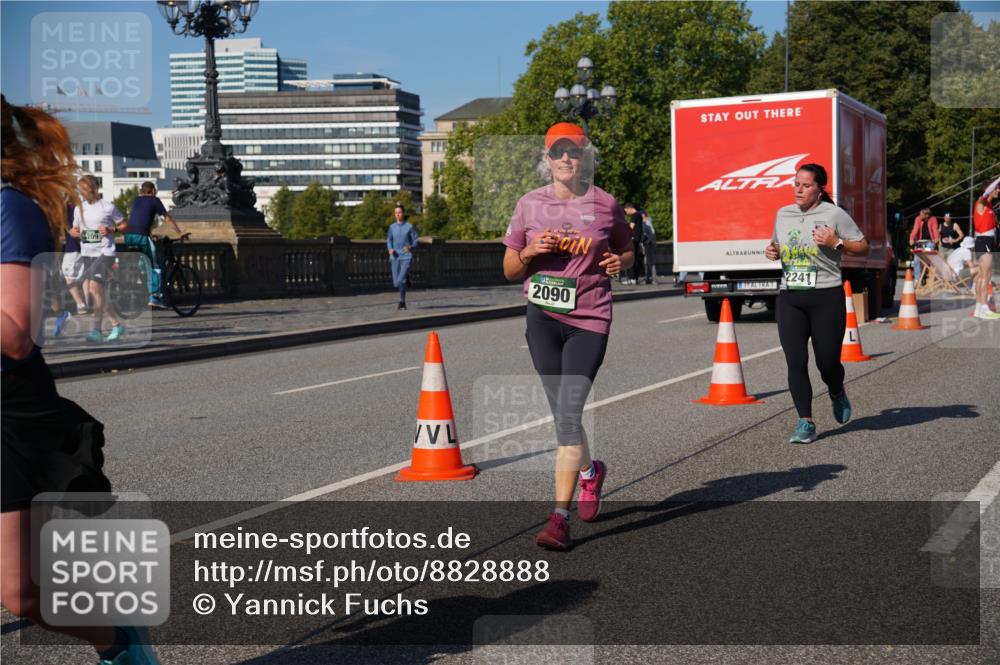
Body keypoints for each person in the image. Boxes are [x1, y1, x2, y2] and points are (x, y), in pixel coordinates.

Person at [1, 95, 161, 665]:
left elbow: (17, 333)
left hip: (9, 408)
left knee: (21, 593)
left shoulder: (9, 210)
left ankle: (116, 641)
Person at [502, 122, 634, 550]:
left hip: (589, 319)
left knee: (566, 411)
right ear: (546, 158)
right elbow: (509, 269)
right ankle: (590, 472)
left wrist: (620, 262)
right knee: (565, 413)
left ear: (584, 158)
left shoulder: (604, 204)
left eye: (573, 153)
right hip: (541, 317)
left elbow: (627, 249)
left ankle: (558, 519)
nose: (565, 159)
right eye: (557, 152)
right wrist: (530, 252)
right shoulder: (528, 205)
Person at [764, 163, 869, 443]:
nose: (798, 189)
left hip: (826, 297)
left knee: (828, 363)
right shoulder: (783, 214)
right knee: (795, 361)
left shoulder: (834, 214)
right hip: (790, 297)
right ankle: (805, 421)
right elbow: (775, 243)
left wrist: (836, 242)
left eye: (806, 185)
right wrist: (772, 250)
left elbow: (862, 245)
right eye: (796, 183)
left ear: (819, 190)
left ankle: (836, 390)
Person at [72, 175, 125, 342]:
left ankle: (96, 330)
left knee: (94, 289)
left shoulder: (108, 207)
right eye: (80, 190)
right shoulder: (78, 208)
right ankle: (116, 325)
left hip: (105, 253)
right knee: (99, 292)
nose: (82, 193)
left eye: (85, 190)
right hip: (87, 252)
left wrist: (111, 230)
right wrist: (73, 232)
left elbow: (124, 224)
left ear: (94, 189)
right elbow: (75, 228)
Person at [125, 181, 185, 308]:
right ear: (152, 190)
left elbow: (140, 218)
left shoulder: (136, 200)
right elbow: (167, 218)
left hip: (129, 236)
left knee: (144, 264)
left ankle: (140, 280)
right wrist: (179, 232)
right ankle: (154, 296)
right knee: (155, 266)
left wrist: (150, 233)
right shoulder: (154, 200)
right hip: (141, 237)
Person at [972, 178, 1000, 320]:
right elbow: (988, 191)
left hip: (987, 241)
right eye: (996, 188)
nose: (998, 190)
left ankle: (979, 308)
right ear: (989, 189)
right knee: (985, 275)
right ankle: (983, 307)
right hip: (984, 241)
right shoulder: (981, 202)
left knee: (982, 276)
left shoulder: (989, 205)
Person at [386, 203, 418, 310]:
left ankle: (402, 301)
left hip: (406, 256)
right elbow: (389, 240)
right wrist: (390, 249)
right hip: (395, 256)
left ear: (403, 213)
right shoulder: (392, 227)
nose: (397, 214)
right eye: (396, 213)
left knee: (401, 280)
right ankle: (407, 277)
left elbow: (416, 240)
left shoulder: (409, 227)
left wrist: (410, 247)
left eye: (399, 212)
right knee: (396, 283)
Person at [909, 207, 939, 285]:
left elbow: (935, 229)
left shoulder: (933, 219)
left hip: (929, 241)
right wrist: (911, 238)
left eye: (921, 214)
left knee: (928, 259)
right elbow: (915, 229)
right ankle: (917, 278)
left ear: (927, 215)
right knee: (917, 260)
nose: (920, 215)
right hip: (920, 241)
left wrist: (936, 238)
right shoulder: (918, 219)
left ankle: (928, 276)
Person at [623, 203, 645, 284]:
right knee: (635, 258)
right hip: (637, 239)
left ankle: (632, 278)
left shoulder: (634, 216)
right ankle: (635, 278)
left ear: (629, 208)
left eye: (626, 211)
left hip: (633, 239)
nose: (626, 214)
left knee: (629, 258)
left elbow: (631, 228)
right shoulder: (639, 215)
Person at [641, 210, 657, 284]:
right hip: (647, 244)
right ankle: (648, 278)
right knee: (646, 262)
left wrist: (648, 241)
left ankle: (653, 279)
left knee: (650, 262)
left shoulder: (647, 221)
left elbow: (652, 233)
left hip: (649, 244)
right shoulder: (646, 221)